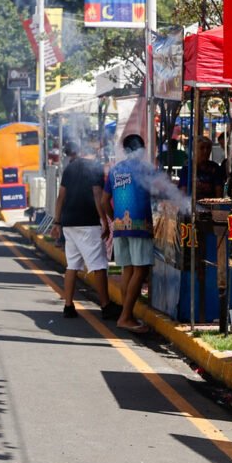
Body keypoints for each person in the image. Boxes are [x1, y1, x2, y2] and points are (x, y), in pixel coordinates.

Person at [50, 139, 119, 321]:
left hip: (69, 222)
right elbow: (98, 195)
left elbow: (60, 197)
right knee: (99, 266)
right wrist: (104, 220)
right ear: (94, 152)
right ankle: (105, 306)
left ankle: (68, 305)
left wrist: (57, 222)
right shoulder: (95, 168)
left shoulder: (70, 168)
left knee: (72, 265)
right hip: (88, 223)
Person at [103, 133, 155, 335]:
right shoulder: (145, 169)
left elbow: (104, 201)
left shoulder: (115, 170)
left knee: (128, 270)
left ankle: (127, 314)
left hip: (120, 226)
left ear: (125, 150)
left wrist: (114, 220)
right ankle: (125, 317)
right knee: (140, 271)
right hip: (140, 225)